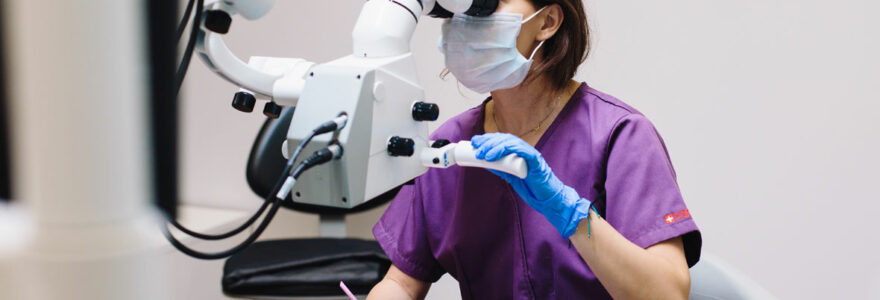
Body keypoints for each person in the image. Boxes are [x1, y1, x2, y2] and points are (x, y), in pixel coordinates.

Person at [367, 0, 701, 299]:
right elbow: (401, 282)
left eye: (489, 3)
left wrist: (571, 214)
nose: (469, 20)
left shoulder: (619, 135)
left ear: (548, 21)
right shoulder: (451, 144)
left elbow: (666, 293)